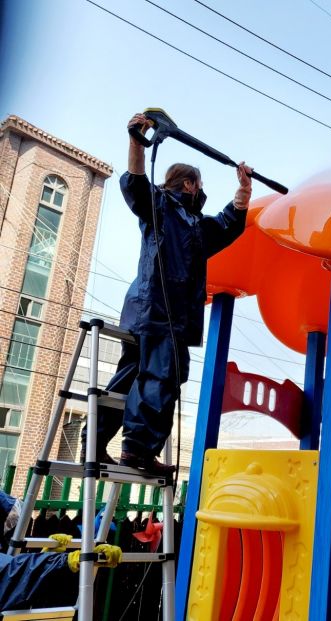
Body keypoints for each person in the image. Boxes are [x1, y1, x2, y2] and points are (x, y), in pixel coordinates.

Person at [81, 112, 253, 475]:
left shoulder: (194, 224)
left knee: (128, 380)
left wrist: (243, 191)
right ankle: (138, 450)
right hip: (162, 311)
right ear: (189, 184)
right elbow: (136, 186)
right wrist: (136, 142)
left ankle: (93, 443)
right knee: (162, 376)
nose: (202, 191)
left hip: (148, 309)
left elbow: (226, 225)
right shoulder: (161, 205)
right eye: (199, 184)